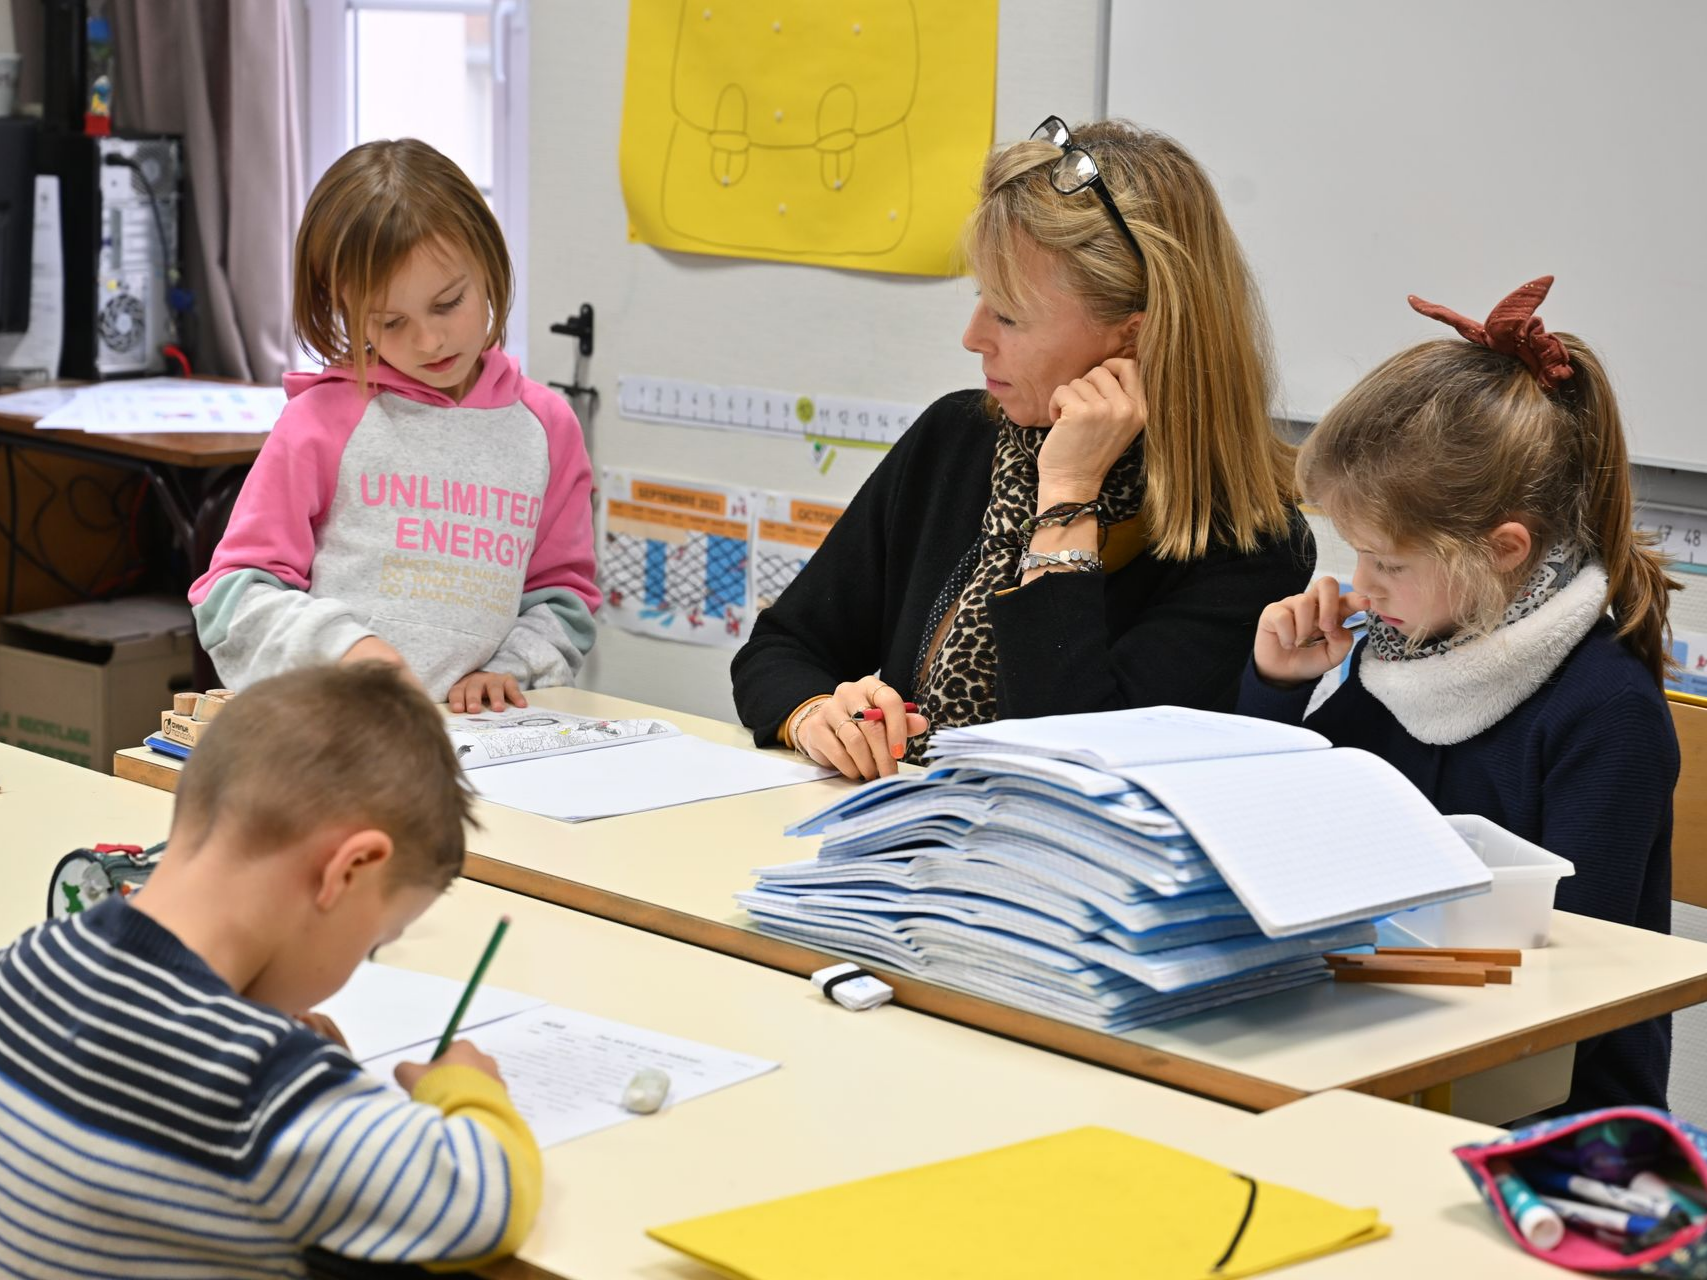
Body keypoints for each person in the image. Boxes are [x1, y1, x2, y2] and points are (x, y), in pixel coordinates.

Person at [730, 117, 1313, 780]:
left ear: (1131, 338)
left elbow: (1072, 754)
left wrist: (1065, 497)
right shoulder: (956, 436)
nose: (973, 337)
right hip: (900, 840)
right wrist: (814, 713)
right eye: (982, 297)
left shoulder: (1248, 543)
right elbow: (782, 648)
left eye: (1008, 314)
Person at [1240, 276, 1678, 1112]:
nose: (1357, 586)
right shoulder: (1397, 654)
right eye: (1354, 553)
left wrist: (1338, 962)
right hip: (1381, 1048)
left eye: (1388, 563)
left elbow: (1568, 969)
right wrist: (1277, 689)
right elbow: (1274, 837)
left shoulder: (1606, 713)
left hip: (1546, 1111)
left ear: (1501, 550)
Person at [0, 663, 541, 1274]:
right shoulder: (263, 1090)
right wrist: (466, 1087)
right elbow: (483, 1198)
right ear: (348, 870)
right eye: (373, 942)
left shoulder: (28, 962)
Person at [191, 138, 599, 712]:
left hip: (485, 746)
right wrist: (348, 652)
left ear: (488, 264)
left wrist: (512, 668)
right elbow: (231, 598)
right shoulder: (323, 421)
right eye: (390, 321)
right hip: (337, 735)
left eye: (448, 303)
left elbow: (562, 601)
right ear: (344, 310)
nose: (429, 341)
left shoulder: (547, 428)